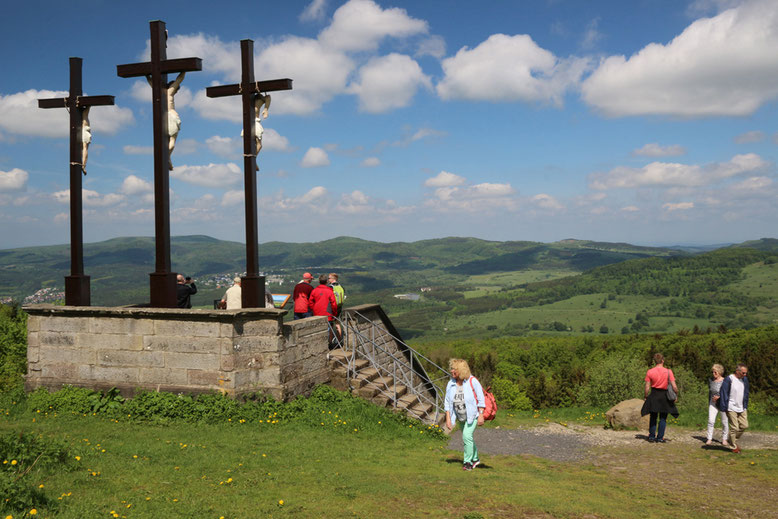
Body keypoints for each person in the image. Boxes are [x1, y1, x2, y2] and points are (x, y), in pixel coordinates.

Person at [444, 358, 485, 471]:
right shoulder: (451, 383)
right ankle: (475, 459)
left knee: (466, 436)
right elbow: (447, 402)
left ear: (461, 370)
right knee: (468, 438)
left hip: (473, 416)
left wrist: (481, 415)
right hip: (460, 417)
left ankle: (467, 463)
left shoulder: (472, 381)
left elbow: (481, 400)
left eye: (454, 369)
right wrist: (448, 418)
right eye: (451, 369)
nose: (452, 371)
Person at [147, 71, 186, 170]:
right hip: (172, 116)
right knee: (172, 139)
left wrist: (147, 75)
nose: (176, 91)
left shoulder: (158, 92)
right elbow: (179, 80)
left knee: (165, 141)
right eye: (177, 90)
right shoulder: (170, 92)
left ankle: (168, 157)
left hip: (161, 118)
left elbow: (151, 82)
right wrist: (184, 70)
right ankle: (167, 156)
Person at [640, 353, 679, 443]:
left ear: (655, 361)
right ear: (663, 360)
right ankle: (660, 437)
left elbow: (647, 387)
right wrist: (676, 395)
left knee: (653, 416)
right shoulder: (669, 371)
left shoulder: (650, 372)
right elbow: (674, 387)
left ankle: (652, 437)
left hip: (654, 394)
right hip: (664, 396)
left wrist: (646, 396)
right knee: (663, 417)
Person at [719, 363, 750, 454]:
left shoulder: (745, 380)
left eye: (745, 373)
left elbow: (746, 393)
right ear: (737, 371)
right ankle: (733, 446)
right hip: (731, 407)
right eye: (743, 373)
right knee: (734, 427)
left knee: (744, 425)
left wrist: (745, 405)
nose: (745, 375)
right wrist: (724, 407)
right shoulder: (729, 379)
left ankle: (731, 439)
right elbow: (723, 393)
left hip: (742, 407)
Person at [309, 274, 338, 347]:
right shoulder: (330, 291)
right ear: (327, 281)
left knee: (317, 330)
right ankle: (327, 345)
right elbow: (333, 303)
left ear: (319, 281)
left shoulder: (314, 290)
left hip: (317, 313)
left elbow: (310, 302)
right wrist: (334, 313)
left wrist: (314, 309)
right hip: (328, 314)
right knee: (328, 330)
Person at [706, 363, 729, 446]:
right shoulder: (711, 381)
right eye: (713, 372)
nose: (713, 374)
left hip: (723, 403)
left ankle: (724, 439)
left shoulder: (725, 381)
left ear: (720, 372)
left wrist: (719, 397)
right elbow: (710, 392)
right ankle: (709, 438)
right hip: (713, 403)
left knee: (724, 422)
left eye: (715, 372)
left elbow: (727, 393)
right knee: (711, 421)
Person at [80, 107, 91, 174]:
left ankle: (83, 165)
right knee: (85, 148)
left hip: (83, 129)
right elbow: (89, 104)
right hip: (84, 129)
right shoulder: (84, 113)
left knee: (84, 148)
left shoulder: (81, 113)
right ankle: (83, 166)